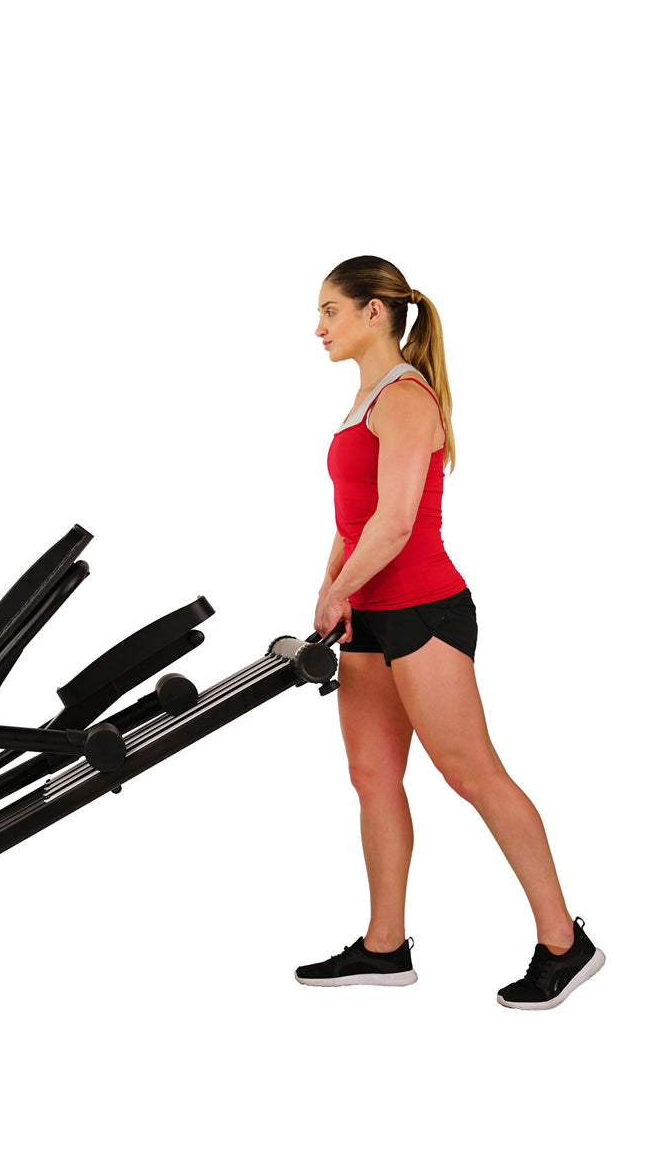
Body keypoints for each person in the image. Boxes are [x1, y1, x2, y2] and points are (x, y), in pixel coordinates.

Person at [297, 255, 604, 1009]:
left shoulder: (405, 398)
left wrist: (341, 589)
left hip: (423, 610)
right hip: (367, 614)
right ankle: (384, 946)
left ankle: (565, 943)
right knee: (372, 778)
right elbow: (355, 518)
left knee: (471, 773)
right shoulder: (363, 400)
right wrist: (329, 589)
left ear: (374, 312)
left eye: (331, 311)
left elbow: (397, 523)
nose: (319, 328)